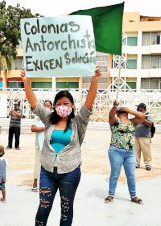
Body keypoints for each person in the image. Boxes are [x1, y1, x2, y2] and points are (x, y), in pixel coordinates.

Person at [21, 67, 101, 226]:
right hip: (47, 172)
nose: (62, 106)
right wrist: (26, 83)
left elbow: (89, 103)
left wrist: (94, 80)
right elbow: (34, 103)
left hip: (70, 173)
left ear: (72, 105)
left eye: (65, 103)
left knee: (66, 209)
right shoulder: (49, 118)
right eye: (58, 104)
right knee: (43, 208)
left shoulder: (79, 122)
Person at [104, 100, 145, 205]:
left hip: (130, 152)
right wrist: (115, 106)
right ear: (118, 113)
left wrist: (130, 110)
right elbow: (110, 115)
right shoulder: (115, 121)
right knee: (115, 174)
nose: (124, 111)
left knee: (131, 175)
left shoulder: (132, 122)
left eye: (125, 110)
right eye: (122, 110)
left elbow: (142, 116)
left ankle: (133, 196)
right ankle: (111, 194)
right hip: (116, 151)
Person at [31, 100, 53, 192]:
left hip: (50, 145)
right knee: (37, 163)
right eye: (45, 105)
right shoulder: (38, 116)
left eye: (48, 106)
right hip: (39, 144)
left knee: (49, 164)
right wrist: (45, 128)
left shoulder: (53, 118)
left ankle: (48, 183)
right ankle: (35, 182)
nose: (47, 107)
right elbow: (33, 128)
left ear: (51, 108)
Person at [133, 103, 154, 171]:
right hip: (136, 135)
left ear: (143, 108)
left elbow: (150, 124)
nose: (138, 109)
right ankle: (136, 163)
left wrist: (142, 118)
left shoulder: (149, 114)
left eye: (139, 107)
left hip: (145, 136)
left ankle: (148, 165)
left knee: (146, 151)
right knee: (136, 151)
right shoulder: (137, 114)